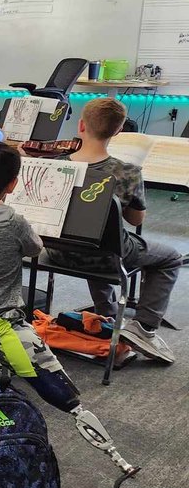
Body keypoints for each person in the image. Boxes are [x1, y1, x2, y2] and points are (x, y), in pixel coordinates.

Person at [0, 142, 128, 463]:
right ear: (12, 185)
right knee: (57, 385)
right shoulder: (11, 221)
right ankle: (97, 435)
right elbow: (34, 248)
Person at [45, 98, 181, 360]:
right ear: (118, 131)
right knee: (170, 258)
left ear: (81, 126)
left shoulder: (56, 165)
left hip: (58, 253)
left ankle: (106, 319)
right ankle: (143, 326)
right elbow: (136, 220)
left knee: (93, 236)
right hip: (106, 258)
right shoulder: (127, 171)